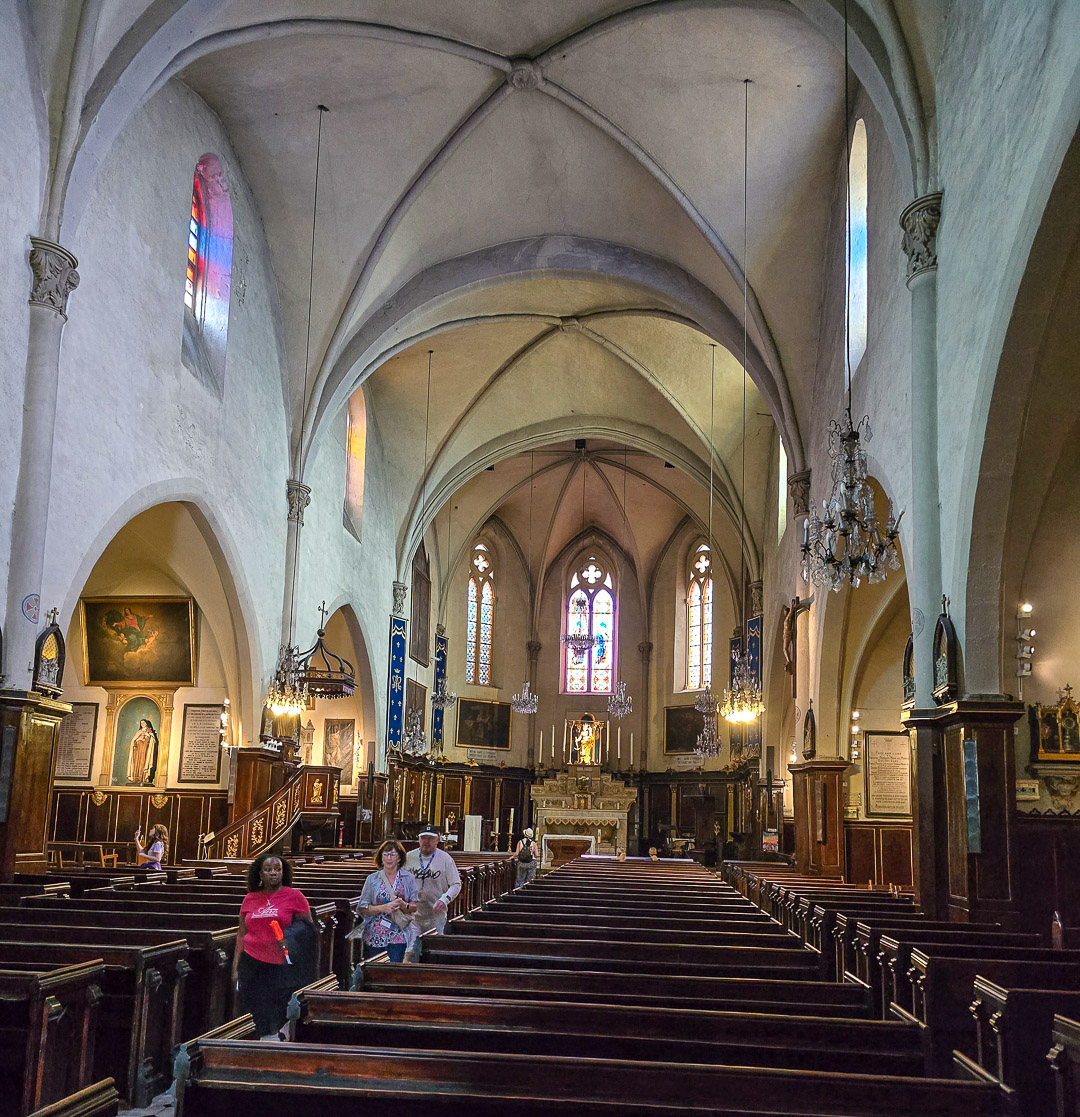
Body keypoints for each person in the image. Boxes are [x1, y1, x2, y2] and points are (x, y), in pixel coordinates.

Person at [232, 854, 313, 1041]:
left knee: (277, 1012)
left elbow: (308, 929)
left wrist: (291, 940)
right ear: (260, 874)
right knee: (255, 1011)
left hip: (281, 964)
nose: (273, 873)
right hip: (251, 961)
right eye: (268, 870)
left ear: (283, 873)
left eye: (277, 869)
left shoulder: (295, 896)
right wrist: (236, 966)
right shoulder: (250, 898)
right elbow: (242, 933)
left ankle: (276, 1045)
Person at [356, 840, 418, 963]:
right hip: (375, 934)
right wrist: (382, 908)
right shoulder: (372, 879)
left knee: (394, 968)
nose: (389, 858)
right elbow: (362, 907)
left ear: (399, 858)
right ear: (381, 857)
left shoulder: (408, 878)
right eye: (385, 854)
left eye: (393, 854)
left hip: (399, 934)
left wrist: (403, 905)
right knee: (375, 968)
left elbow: (415, 906)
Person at [405, 822, 461, 941]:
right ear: (418, 839)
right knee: (411, 947)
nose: (426, 841)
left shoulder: (445, 859)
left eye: (430, 838)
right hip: (413, 915)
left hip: (436, 914)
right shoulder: (408, 858)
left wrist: (445, 899)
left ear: (437, 839)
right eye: (423, 838)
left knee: (434, 945)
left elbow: (456, 884)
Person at [126, 718, 158, 785]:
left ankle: (143, 778)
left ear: (146, 724)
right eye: (141, 723)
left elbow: (153, 740)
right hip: (138, 750)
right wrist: (138, 740)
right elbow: (133, 740)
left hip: (145, 750)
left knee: (143, 763)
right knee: (136, 763)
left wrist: (147, 735)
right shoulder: (139, 731)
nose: (142, 724)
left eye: (143, 723)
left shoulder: (149, 730)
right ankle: (135, 778)